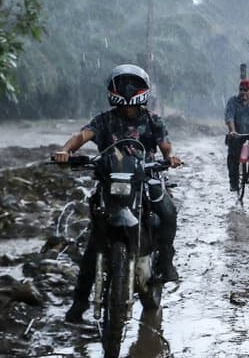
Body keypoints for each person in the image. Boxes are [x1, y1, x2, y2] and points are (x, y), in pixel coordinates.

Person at [53, 64, 183, 323]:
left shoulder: (153, 120)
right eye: (122, 84)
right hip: (110, 184)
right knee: (95, 244)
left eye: (132, 85)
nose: (127, 91)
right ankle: (79, 304)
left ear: (142, 90)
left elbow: (166, 147)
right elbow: (81, 136)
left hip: (145, 179)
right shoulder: (104, 120)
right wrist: (65, 150)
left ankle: (166, 262)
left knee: (167, 212)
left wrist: (171, 157)